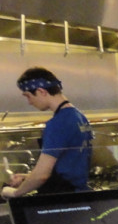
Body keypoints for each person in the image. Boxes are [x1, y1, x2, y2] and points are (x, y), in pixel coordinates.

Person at [2, 67, 93, 199]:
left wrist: (14, 193)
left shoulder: (57, 123)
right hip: (79, 195)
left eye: (28, 96)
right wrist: (27, 178)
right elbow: (67, 167)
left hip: (62, 200)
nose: (29, 102)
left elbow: (42, 175)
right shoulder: (78, 116)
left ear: (41, 91)